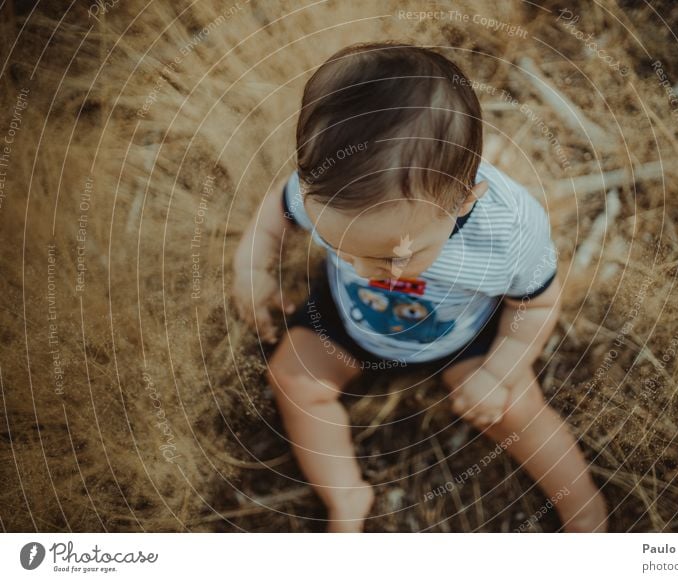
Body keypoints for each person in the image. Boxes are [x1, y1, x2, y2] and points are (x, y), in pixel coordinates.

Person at [232, 42, 607, 533]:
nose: (368, 270)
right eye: (341, 247)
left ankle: (586, 513)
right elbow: (273, 217)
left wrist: (499, 369)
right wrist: (252, 267)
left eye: (394, 256)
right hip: (348, 318)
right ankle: (346, 498)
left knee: (516, 406)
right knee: (293, 379)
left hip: (463, 333)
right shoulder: (324, 190)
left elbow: (535, 305)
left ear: (464, 201)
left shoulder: (508, 230)